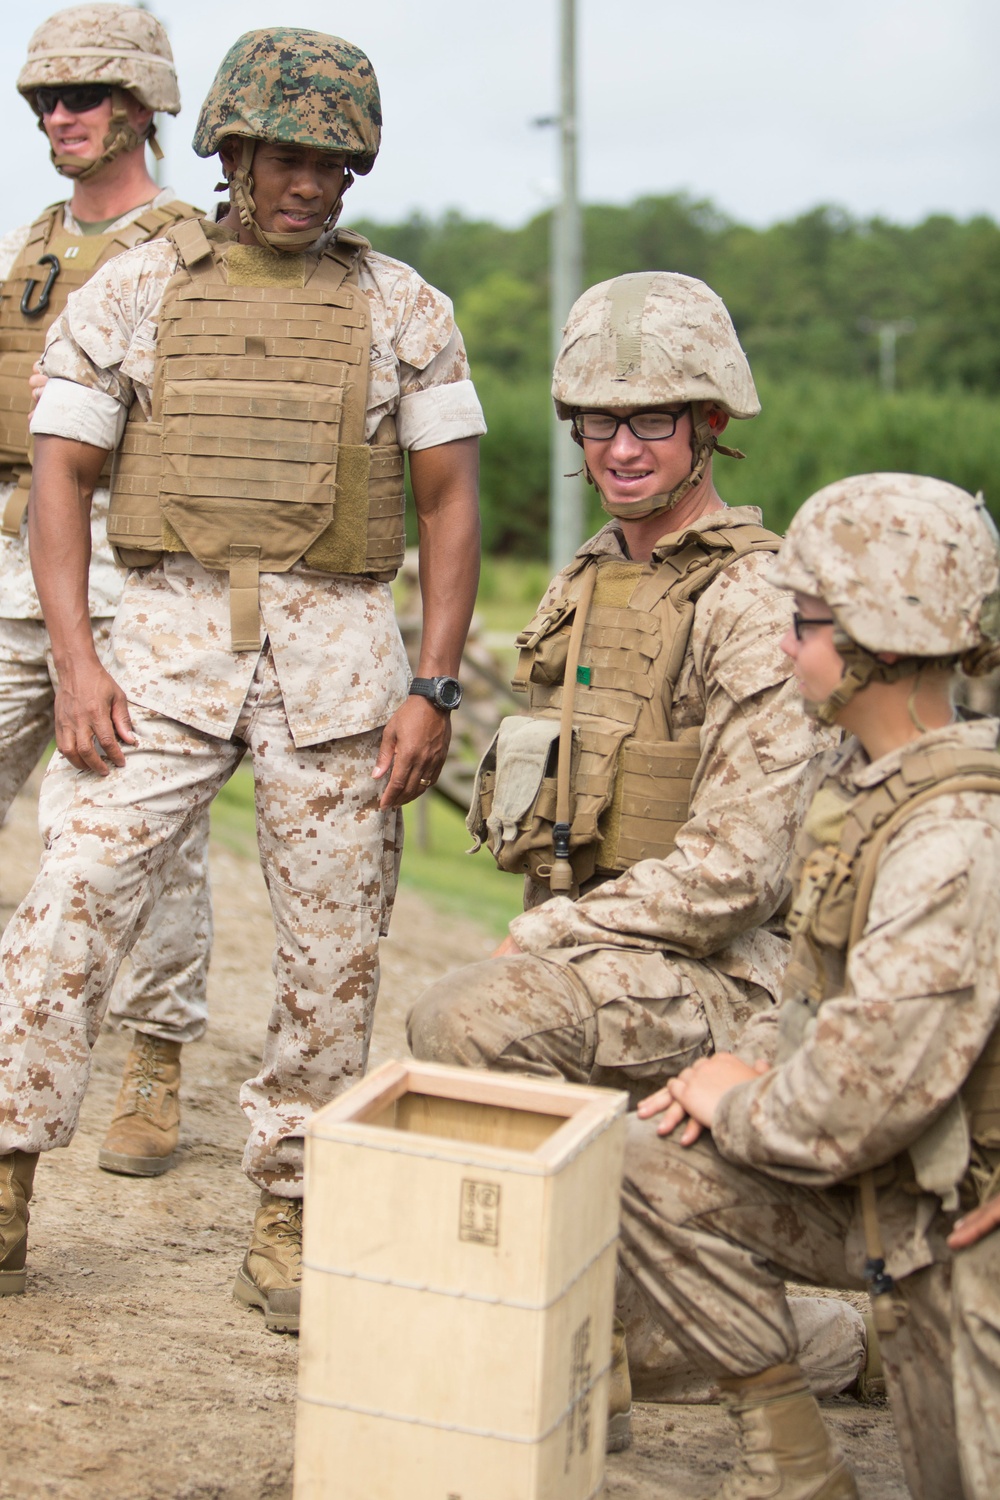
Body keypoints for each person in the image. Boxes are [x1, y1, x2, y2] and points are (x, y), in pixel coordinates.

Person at [0, 28, 484, 1330]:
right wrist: (80, 660)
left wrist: (432, 687)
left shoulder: (401, 305)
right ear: (227, 149)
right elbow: (59, 481)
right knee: (69, 907)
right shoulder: (132, 288)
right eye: (283, 154)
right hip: (156, 652)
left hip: (338, 665)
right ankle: (5, 1171)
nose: (309, 184)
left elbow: (448, 503)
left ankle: (290, 1205)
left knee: (334, 958)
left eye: (334, 161)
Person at [408, 271, 865, 1444]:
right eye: (595, 421)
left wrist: (554, 936)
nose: (618, 446)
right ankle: (606, 1344)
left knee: (469, 1024)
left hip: (736, 977)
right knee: (467, 1032)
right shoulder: (586, 579)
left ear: (710, 423)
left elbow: (736, 873)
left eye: (651, 418)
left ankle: (672, 1345)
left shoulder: (755, 598)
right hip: (615, 950)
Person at [623, 473, 1000, 1499]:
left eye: (805, 621)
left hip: (945, 1219)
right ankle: (793, 1469)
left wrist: (733, 1095)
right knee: (645, 1159)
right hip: (900, 1189)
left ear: (875, 641)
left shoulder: (951, 841)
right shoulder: (865, 785)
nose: (786, 644)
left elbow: (845, 1107)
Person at [0, 3, 211, 1180]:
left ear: (140, 107)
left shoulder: (188, 252)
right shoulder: (36, 242)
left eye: (82, 97)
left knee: (147, 831)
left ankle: (155, 1057)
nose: (60, 118)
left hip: (135, 575)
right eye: (43, 101)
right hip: (17, 555)